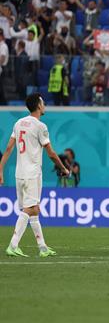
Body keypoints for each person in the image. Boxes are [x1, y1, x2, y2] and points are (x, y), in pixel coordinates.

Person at [0, 93, 69, 257]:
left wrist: (0, 170)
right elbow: (51, 153)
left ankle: (43, 248)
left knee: (34, 209)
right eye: (43, 103)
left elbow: (9, 148)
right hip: (32, 173)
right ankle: (13, 244)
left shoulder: (18, 123)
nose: (44, 105)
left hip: (19, 173)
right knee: (29, 209)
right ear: (38, 105)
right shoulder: (40, 126)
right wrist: (64, 168)